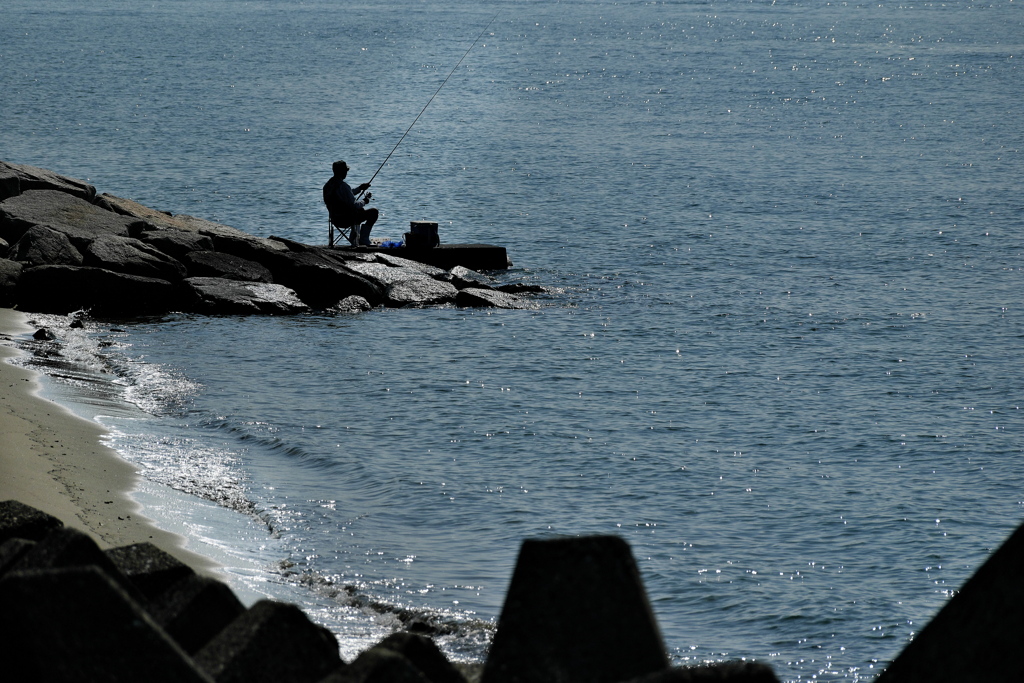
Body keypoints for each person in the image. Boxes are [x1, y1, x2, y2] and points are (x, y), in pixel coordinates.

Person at [323, 160, 379, 246]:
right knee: (373, 212)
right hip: (347, 219)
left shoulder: (328, 185)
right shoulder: (343, 186)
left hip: (335, 219)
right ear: (341, 171)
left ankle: (355, 237)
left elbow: (345, 194)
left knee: (359, 211)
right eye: (345, 170)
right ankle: (362, 239)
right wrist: (365, 201)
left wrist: (360, 188)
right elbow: (354, 205)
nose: (346, 173)